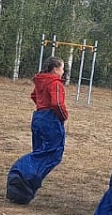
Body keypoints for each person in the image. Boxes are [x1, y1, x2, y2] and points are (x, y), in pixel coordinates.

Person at [5, 57, 69, 204]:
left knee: (40, 151)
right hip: (50, 118)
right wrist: (63, 116)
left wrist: (41, 106)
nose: (63, 71)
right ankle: (20, 173)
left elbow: (34, 95)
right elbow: (57, 103)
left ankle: (23, 190)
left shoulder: (41, 80)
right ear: (55, 69)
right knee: (53, 153)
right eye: (62, 68)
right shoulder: (55, 83)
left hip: (38, 117)